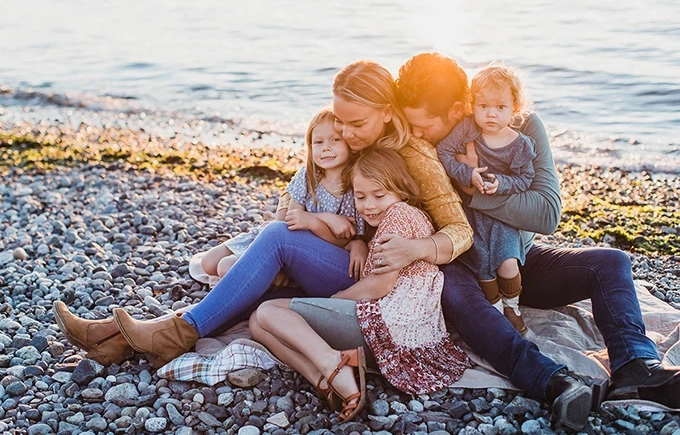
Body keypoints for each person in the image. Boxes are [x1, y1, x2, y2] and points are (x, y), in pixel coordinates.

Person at [52, 59, 602, 429]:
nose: (345, 132)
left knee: (461, 300)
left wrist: (416, 250)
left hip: (414, 264)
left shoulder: (413, 157)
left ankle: (547, 381)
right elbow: (310, 195)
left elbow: (457, 229)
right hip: (361, 259)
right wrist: (337, 230)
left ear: (386, 114)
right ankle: (138, 334)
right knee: (272, 240)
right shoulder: (353, 137)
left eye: (355, 123)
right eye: (339, 120)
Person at [386, 51, 680, 428]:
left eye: (423, 127)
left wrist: (472, 192)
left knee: (610, 261)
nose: (415, 136)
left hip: (517, 257)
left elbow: (545, 212)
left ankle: (636, 367)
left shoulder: (521, 127)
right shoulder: (415, 146)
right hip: (459, 265)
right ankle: (551, 381)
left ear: (458, 109)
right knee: (455, 294)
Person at [249, 149, 473, 421]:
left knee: (267, 313)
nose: (369, 205)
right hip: (392, 329)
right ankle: (323, 380)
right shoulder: (398, 217)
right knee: (255, 322)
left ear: (401, 190)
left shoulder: (400, 215)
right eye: (360, 196)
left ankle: (336, 365)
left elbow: (380, 285)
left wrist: (337, 297)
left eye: (379, 195)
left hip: (387, 327)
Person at [199, 107, 366, 282]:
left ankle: (278, 277)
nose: (326, 148)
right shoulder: (308, 176)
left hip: (302, 250)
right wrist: (327, 218)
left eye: (335, 140)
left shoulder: (352, 186)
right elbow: (287, 221)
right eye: (318, 142)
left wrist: (313, 222)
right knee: (208, 263)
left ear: (349, 144)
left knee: (226, 268)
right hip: (279, 235)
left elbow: (341, 241)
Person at [436, 64, 536, 333]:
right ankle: (495, 311)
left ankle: (512, 306)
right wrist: (467, 173)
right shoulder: (468, 128)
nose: (491, 114)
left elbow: (525, 179)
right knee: (483, 269)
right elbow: (443, 153)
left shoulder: (520, 144)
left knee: (507, 263)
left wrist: (501, 183)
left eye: (500, 107)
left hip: (501, 217)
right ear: (473, 104)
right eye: (483, 106)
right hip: (472, 216)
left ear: (515, 107)